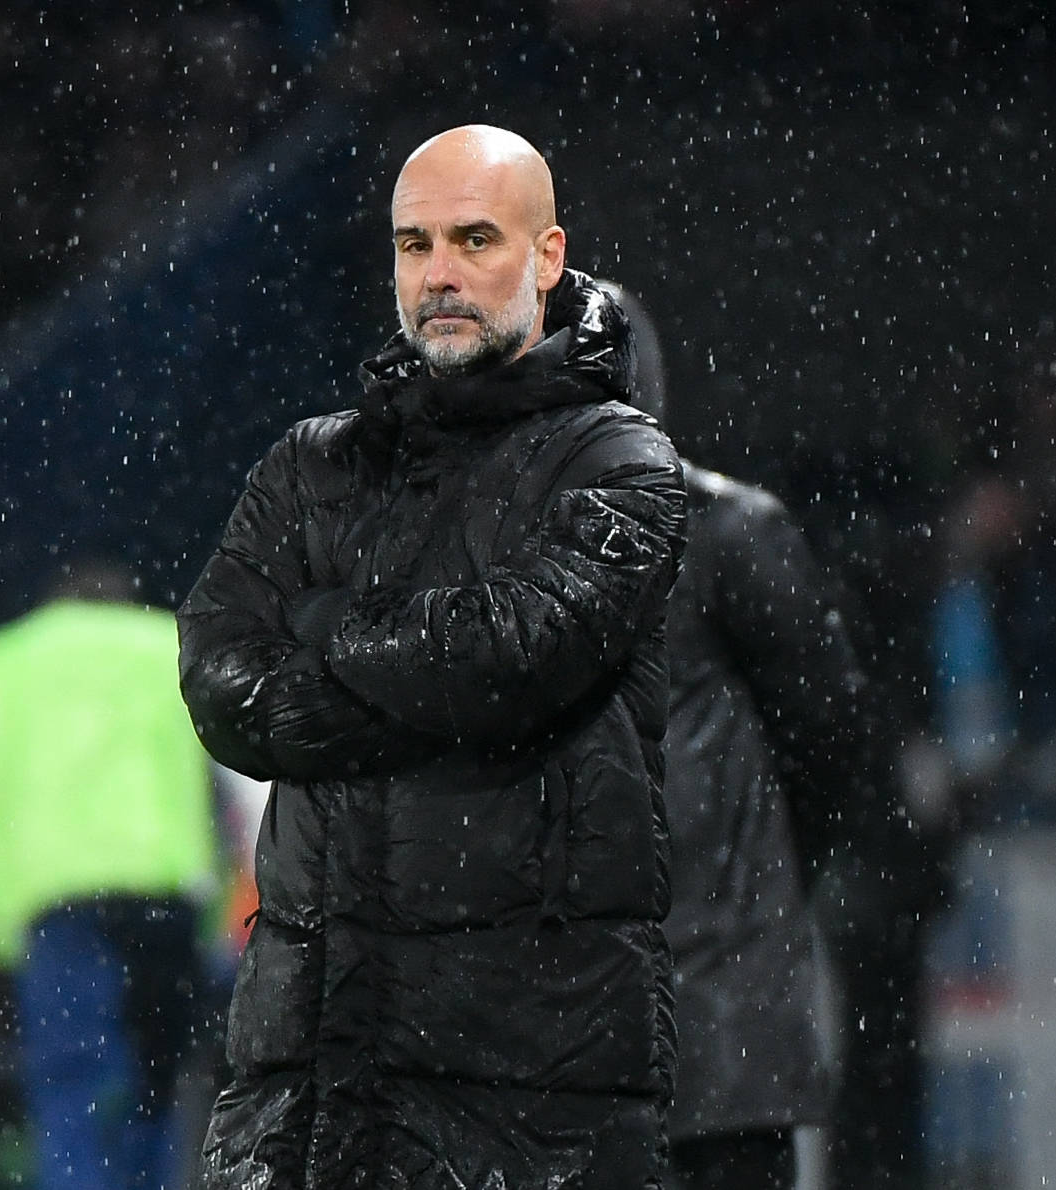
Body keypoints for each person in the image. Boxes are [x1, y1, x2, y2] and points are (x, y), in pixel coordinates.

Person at [177, 124, 688, 1189]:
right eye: (414, 245)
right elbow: (222, 688)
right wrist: (426, 670)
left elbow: (508, 660)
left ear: (547, 257)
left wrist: (320, 631)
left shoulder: (620, 459)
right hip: (310, 1076)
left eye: (474, 239)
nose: (439, 274)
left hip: (533, 1081)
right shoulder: (309, 463)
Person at [600, 281, 889, 1188]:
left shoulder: (729, 536)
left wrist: (745, 890)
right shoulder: (502, 559)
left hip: (704, 1032)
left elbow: (833, 749)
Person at [0, 558, 222, 1190]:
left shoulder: (1, 662)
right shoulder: (170, 647)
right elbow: (244, 778)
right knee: (161, 1079)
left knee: (70, 1081)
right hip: (166, 893)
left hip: (57, 900)